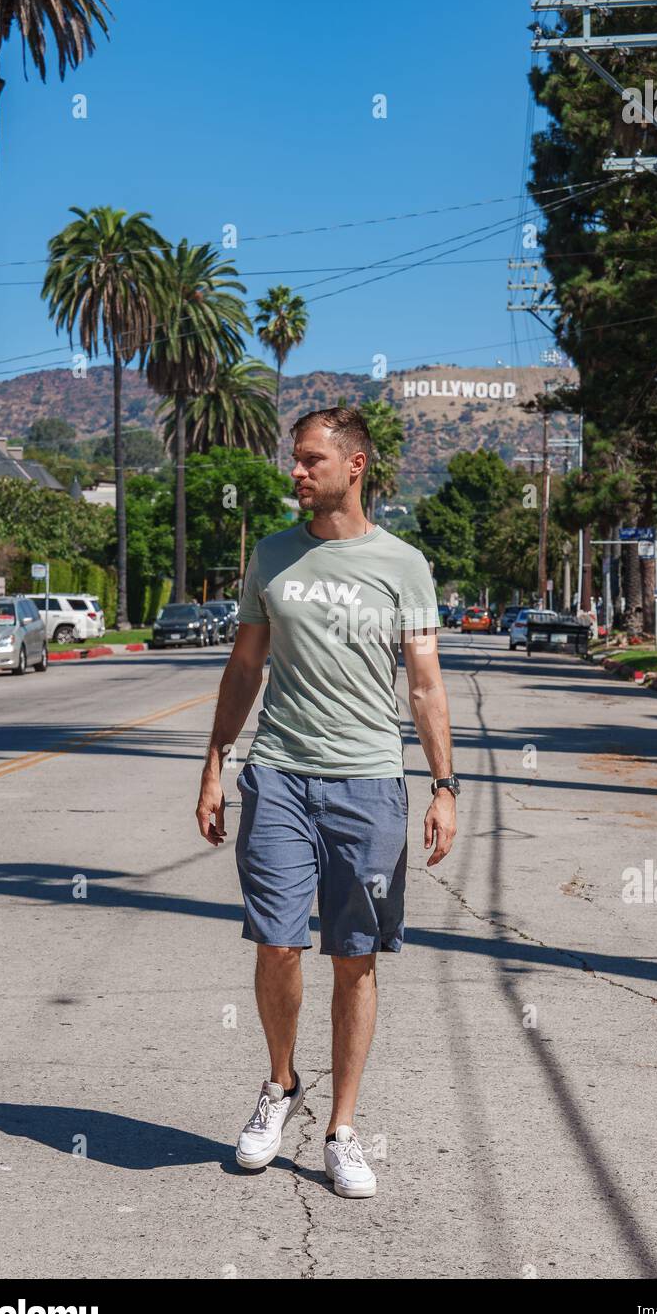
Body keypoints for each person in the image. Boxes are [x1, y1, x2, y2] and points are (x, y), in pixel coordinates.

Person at [196, 406, 459, 1198]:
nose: (296, 473)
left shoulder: (404, 564)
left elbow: (424, 685)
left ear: (355, 467)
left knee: (354, 958)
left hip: (370, 782)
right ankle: (281, 1086)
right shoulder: (272, 556)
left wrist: (444, 787)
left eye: (311, 460)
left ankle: (342, 1128)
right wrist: (215, 764)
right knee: (276, 943)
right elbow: (245, 668)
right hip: (278, 773)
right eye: (294, 459)